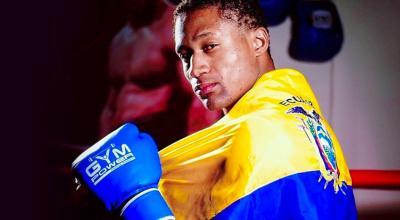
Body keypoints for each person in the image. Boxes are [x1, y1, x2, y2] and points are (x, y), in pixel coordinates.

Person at [72, 0, 357, 219]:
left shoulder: (260, 136)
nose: (195, 69)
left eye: (209, 46)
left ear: (258, 41)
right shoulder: (297, 117)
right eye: (185, 55)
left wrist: (137, 201)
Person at [100, 0, 221, 149]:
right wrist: (104, 149)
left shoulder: (181, 25)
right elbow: (111, 107)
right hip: (124, 146)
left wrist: (198, 149)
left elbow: (201, 94)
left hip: (163, 140)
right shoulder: (119, 40)